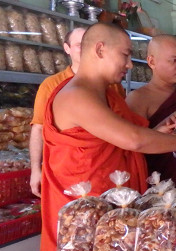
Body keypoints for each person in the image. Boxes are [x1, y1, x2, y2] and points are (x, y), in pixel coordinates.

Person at [36, 23, 176, 251]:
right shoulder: (76, 96)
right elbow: (133, 140)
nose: (129, 64)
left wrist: (162, 131)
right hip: (88, 211)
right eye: (125, 55)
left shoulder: (107, 95)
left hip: (116, 204)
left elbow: (122, 137)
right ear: (99, 49)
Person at [29, 26, 127, 197]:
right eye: (78, 45)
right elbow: (38, 128)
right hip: (68, 173)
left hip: (108, 169)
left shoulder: (112, 85)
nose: (85, 50)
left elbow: (123, 124)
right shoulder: (52, 85)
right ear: (66, 49)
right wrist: (35, 169)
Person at [126, 35, 176, 187]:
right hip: (158, 181)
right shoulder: (138, 99)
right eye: (174, 60)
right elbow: (133, 150)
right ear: (152, 61)